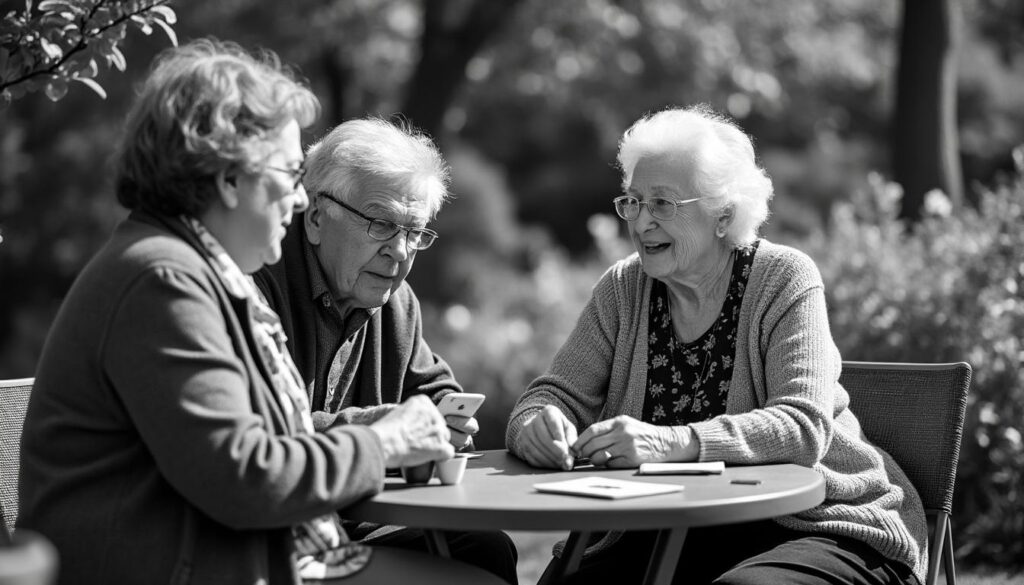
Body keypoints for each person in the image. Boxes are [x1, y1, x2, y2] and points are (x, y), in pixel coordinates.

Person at [17, 39, 504, 585]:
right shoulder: (164, 283)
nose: (299, 199)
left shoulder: (192, 273)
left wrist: (389, 424)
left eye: (414, 233)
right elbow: (249, 478)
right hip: (175, 565)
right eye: (290, 172)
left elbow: (258, 452)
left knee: (478, 560)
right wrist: (385, 439)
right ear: (229, 179)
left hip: (219, 553)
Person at [505, 105, 928, 585]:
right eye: (634, 202)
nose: (641, 223)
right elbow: (549, 395)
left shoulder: (784, 278)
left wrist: (673, 442)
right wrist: (538, 425)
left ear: (723, 215)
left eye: (663, 204)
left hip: (819, 525)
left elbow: (802, 426)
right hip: (681, 531)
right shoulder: (625, 288)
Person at [253, 117, 518, 582]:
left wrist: (449, 420)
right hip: (271, 538)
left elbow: (434, 390)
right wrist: (382, 427)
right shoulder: (259, 283)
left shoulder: (394, 299)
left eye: (414, 232)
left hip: (349, 524)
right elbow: (265, 439)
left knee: (485, 549)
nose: (399, 251)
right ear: (316, 216)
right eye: (381, 224)